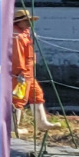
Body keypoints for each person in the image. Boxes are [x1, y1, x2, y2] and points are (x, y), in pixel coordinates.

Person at [14, 9, 53, 137]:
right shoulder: (17, 36)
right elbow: (17, 56)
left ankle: (42, 122)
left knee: (37, 94)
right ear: (18, 22)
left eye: (30, 20)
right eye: (26, 21)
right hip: (21, 73)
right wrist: (20, 72)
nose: (29, 23)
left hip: (28, 71)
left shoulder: (24, 33)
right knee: (18, 99)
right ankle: (13, 127)